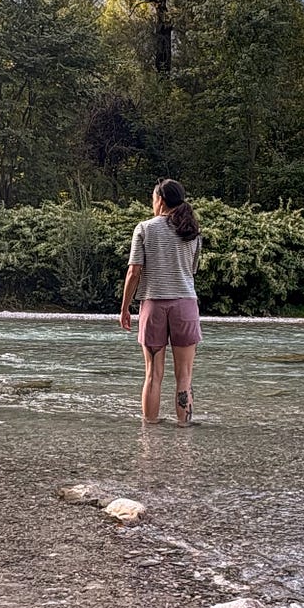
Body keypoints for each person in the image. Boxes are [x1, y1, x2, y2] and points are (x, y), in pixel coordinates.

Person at [119, 178, 202, 424]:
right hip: (185, 305)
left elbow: (134, 272)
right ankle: (184, 431)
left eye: (153, 199)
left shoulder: (144, 228)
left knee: (153, 375)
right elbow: (191, 270)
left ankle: (150, 433)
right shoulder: (192, 231)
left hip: (153, 304)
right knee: (184, 377)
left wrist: (125, 308)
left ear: (160, 200)